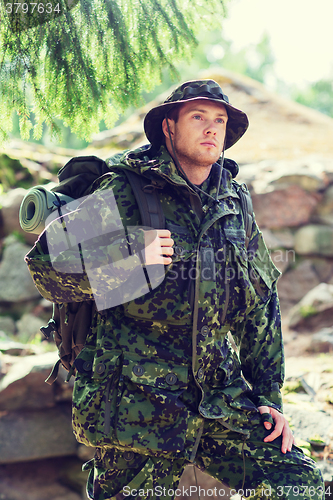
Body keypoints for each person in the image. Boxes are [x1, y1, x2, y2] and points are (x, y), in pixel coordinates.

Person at [25, 80, 324, 499]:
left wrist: (269, 396)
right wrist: (130, 255)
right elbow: (46, 270)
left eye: (219, 120)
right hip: (136, 406)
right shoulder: (124, 190)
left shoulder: (233, 200)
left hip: (218, 399)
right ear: (168, 127)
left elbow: (260, 302)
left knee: (298, 484)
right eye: (197, 117)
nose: (211, 129)